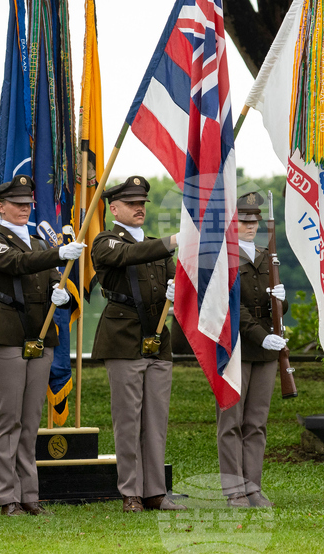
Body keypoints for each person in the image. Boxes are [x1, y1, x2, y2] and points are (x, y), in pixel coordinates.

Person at [0, 174, 84, 517]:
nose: (24, 209)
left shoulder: (39, 244)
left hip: (42, 338)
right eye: (17, 204)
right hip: (7, 336)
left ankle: (30, 496)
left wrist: (62, 294)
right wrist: (57, 254)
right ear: (1, 207)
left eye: (28, 204)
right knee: (8, 418)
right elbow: (17, 264)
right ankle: (8, 497)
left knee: (30, 419)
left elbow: (54, 279)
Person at [90, 175, 184, 513]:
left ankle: (155, 491)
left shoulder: (158, 245)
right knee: (127, 420)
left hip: (157, 340)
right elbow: (129, 255)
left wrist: (179, 288)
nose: (139, 208)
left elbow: (176, 276)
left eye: (142, 203)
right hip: (123, 339)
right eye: (131, 204)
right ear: (114, 208)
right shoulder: (105, 241)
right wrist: (173, 240)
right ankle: (131, 491)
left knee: (156, 421)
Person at [217, 192, 287, 508]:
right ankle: (234, 490)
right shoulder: (225, 258)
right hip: (236, 348)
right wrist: (261, 336)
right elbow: (234, 308)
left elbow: (273, 306)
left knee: (256, 422)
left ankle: (253, 487)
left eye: (254, 220)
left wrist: (282, 299)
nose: (250, 225)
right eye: (244, 220)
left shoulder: (265, 255)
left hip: (265, 350)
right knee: (231, 421)